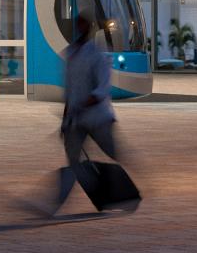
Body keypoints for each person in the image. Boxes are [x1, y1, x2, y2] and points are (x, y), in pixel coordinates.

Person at [47, 12, 137, 215]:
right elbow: (70, 91)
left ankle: (125, 192)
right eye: (78, 24)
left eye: (83, 25)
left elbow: (101, 90)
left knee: (113, 152)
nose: (80, 28)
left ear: (89, 28)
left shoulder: (97, 55)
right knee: (73, 161)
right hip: (75, 120)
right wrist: (65, 119)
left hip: (98, 118)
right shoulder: (70, 54)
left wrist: (81, 105)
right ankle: (59, 202)